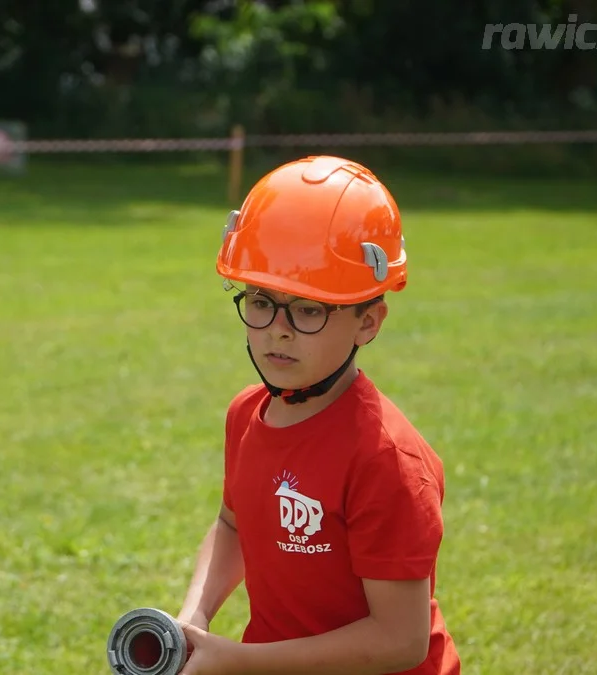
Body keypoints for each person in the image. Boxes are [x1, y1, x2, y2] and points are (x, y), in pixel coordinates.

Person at [173, 155, 460, 675]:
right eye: (261, 300)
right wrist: (194, 618)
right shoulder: (246, 414)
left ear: (367, 322)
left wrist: (236, 661)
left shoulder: (387, 461)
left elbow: (401, 640)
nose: (277, 329)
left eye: (308, 309)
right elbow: (232, 525)